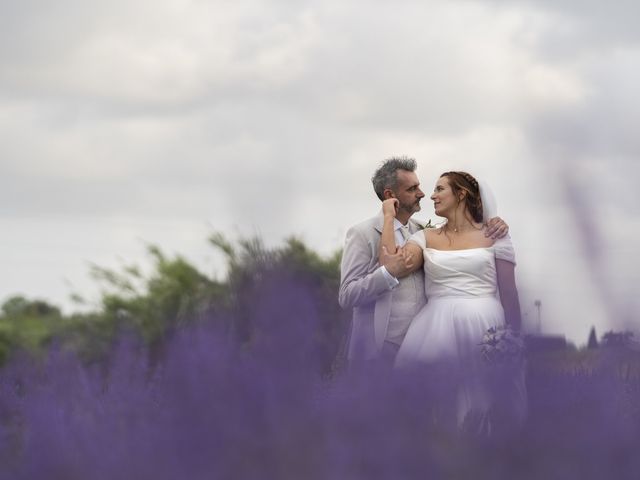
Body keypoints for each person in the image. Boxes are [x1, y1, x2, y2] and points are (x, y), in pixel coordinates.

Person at [383, 171, 526, 431]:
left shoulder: (495, 235)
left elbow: (510, 293)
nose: (432, 196)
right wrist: (388, 217)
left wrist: (514, 339)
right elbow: (393, 264)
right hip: (434, 330)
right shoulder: (425, 237)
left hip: (486, 329)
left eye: (440, 189)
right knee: (434, 411)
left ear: (461, 194)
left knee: (484, 406)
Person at [338, 158, 508, 368]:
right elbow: (347, 295)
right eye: (413, 188)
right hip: (378, 349)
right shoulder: (361, 233)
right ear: (391, 196)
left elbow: (460, 239)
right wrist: (387, 274)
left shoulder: (422, 230)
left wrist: (494, 221)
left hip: (423, 341)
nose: (422, 193)